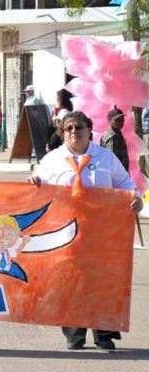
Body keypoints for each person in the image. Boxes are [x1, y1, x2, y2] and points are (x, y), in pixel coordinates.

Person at [27, 111, 140, 350]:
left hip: (102, 232)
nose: (73, 132)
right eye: (68, 128)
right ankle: (74, 333)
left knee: (102, 281)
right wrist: (34, 181)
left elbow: (125, 183)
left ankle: (105, 334)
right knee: (71, 281)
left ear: (89, 129)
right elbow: (36, 179)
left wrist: (135, 198)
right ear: (62, 133)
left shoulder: (106, 158)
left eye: (78, 127)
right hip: (66, 231)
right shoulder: (53, 159)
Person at [101, 107, 129, 172]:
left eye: (122, 119)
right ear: (111, 121)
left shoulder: (115, 133)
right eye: (118, 119)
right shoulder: (113, 137)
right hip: (117, 177)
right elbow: (112, 161)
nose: (122, 121)